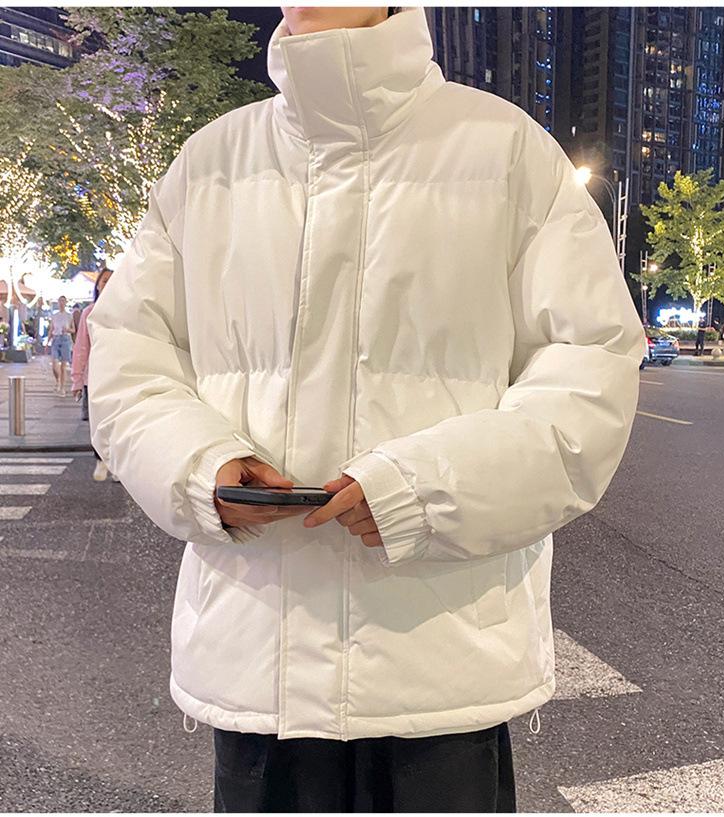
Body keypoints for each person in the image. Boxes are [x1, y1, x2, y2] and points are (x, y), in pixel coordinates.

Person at [86, 6, 644, 813]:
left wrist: (425, 488)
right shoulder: (209, 163)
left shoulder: (506, 150)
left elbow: (590, 373)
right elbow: (127, 353)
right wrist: (198, 465)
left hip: (440, 674)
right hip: (258, 661)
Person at [72, 268, 119, 482]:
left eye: (112, 280)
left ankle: (117, 465)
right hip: (95, 377)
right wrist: (76, 379)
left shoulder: (124, 310)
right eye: (104, 280)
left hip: (118, 375)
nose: (107, 284)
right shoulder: (89, 312)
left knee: (119, 422)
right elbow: (82, 346)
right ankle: (101, 459)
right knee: (98, 422)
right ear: (98, 285)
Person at [47, 295, 75, 395]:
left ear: (66, 303)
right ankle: (58, 380)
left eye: (63, 301)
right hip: (56, 339)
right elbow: (51, 329)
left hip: (65, 339)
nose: (61, 303)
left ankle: (62, 387)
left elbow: (73, 330)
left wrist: (67, 330)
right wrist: (47, 341)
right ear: (58, 303)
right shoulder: (54, 316)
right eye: (60, 301)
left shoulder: (69, 316)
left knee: (63, 365)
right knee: (54, 363)